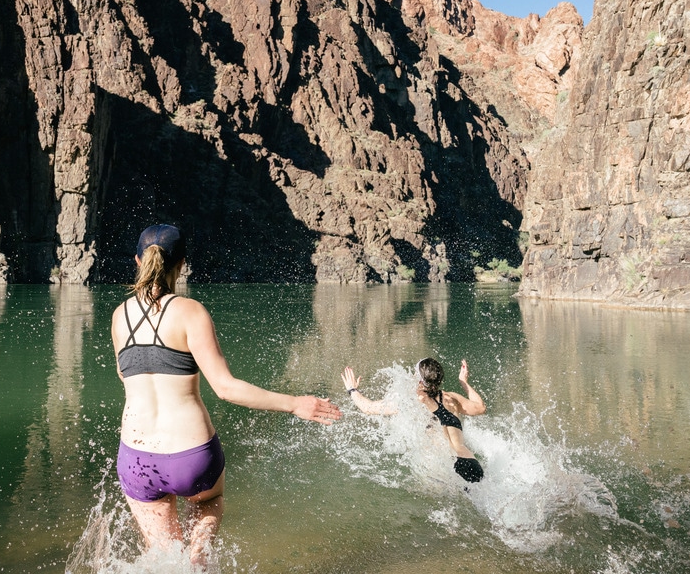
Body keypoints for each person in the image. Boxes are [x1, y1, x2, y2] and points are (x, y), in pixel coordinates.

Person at [112, 224, 341, 567]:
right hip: (190, 455)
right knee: (207, 503)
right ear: (182, 264)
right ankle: (200, 555)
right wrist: (295, 404)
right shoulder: (190, 311)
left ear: (137, 260)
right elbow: (225, 388)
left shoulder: (119, 317)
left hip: (137, 459)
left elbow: (126, 378)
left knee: (162, 559)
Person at [341, 357, 486, 483]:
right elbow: (480, 408)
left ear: (419, 381)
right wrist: (463, 382)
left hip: (442, 469)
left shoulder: (409, 403)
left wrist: (352, 390)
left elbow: (368, 407)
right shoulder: (451, 398)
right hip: (470, 463)